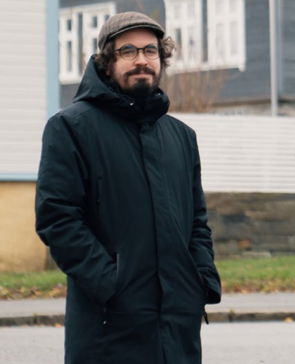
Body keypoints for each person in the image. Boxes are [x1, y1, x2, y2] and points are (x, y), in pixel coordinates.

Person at [35, 12, 221, 364]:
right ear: (107, 62)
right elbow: (57, 220)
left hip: (177, 329)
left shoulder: (181, 137)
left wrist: (200, 280)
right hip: (109, 328)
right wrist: (111, 284)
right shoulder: (70, 128)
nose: (141, 60)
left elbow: (197, 220)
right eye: (128, 51)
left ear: (161, 60)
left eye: (151, 50)